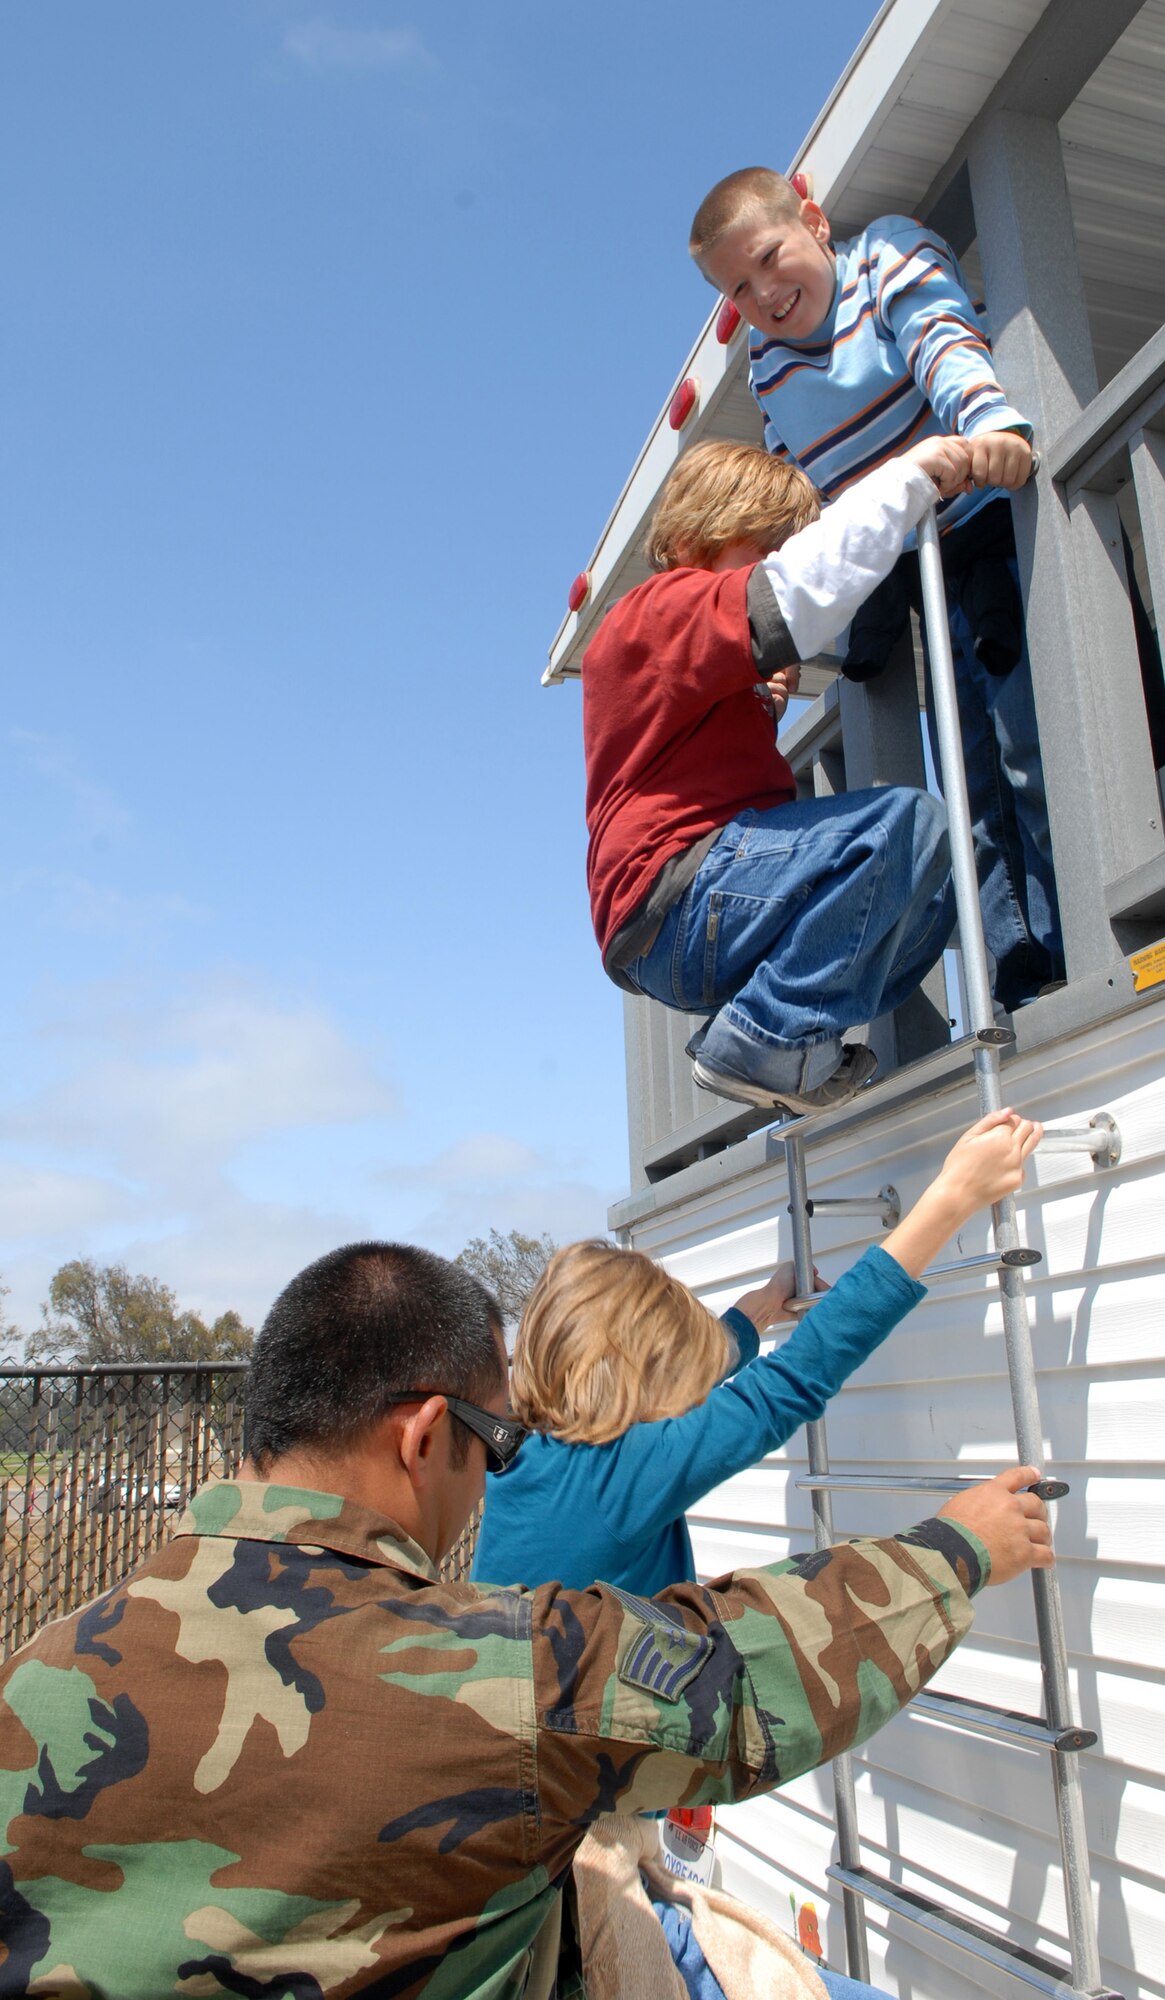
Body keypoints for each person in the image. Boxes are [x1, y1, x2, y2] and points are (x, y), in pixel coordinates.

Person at [0, 1242, 1052, 1998]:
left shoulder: (30, 1677)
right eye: (492, 1442)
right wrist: (958, 1549)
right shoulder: (491, 1676)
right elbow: (746, 1675)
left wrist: (739, 1317)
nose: (502, 1467)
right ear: (423, 1437)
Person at [689, 167, 1065, 1014]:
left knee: (1030, 740)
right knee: (967, 772)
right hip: (917, 572)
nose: (762, 294)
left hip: (990, 532)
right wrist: (779, 639)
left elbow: (940, 336)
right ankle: (1026, 969)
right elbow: (797, 498)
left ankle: (1085, 918)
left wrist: (989, 426)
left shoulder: (883, 258)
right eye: (736, 289)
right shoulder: (769, 369)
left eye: (768, 258)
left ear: (815, 223)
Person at [472, 1106, 1040, 1593]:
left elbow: (690, 1377)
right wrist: (953, 1195)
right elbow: (787, 1385)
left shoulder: (528, 1458)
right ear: (635, 1376)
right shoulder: (619, 1473)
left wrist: (761, 1308)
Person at [585, 432, 972, 1115]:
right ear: (699, 534)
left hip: (685, 920)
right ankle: (767, 1037)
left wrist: (762, 700)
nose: (771, 564)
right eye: (762, 547)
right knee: (906, 825)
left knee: (927, 901)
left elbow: (689, 739)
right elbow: (796, 596)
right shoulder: (659, 607)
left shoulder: (679, 651)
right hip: (683, 893)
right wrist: (908, 478)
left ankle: (786, 1046)